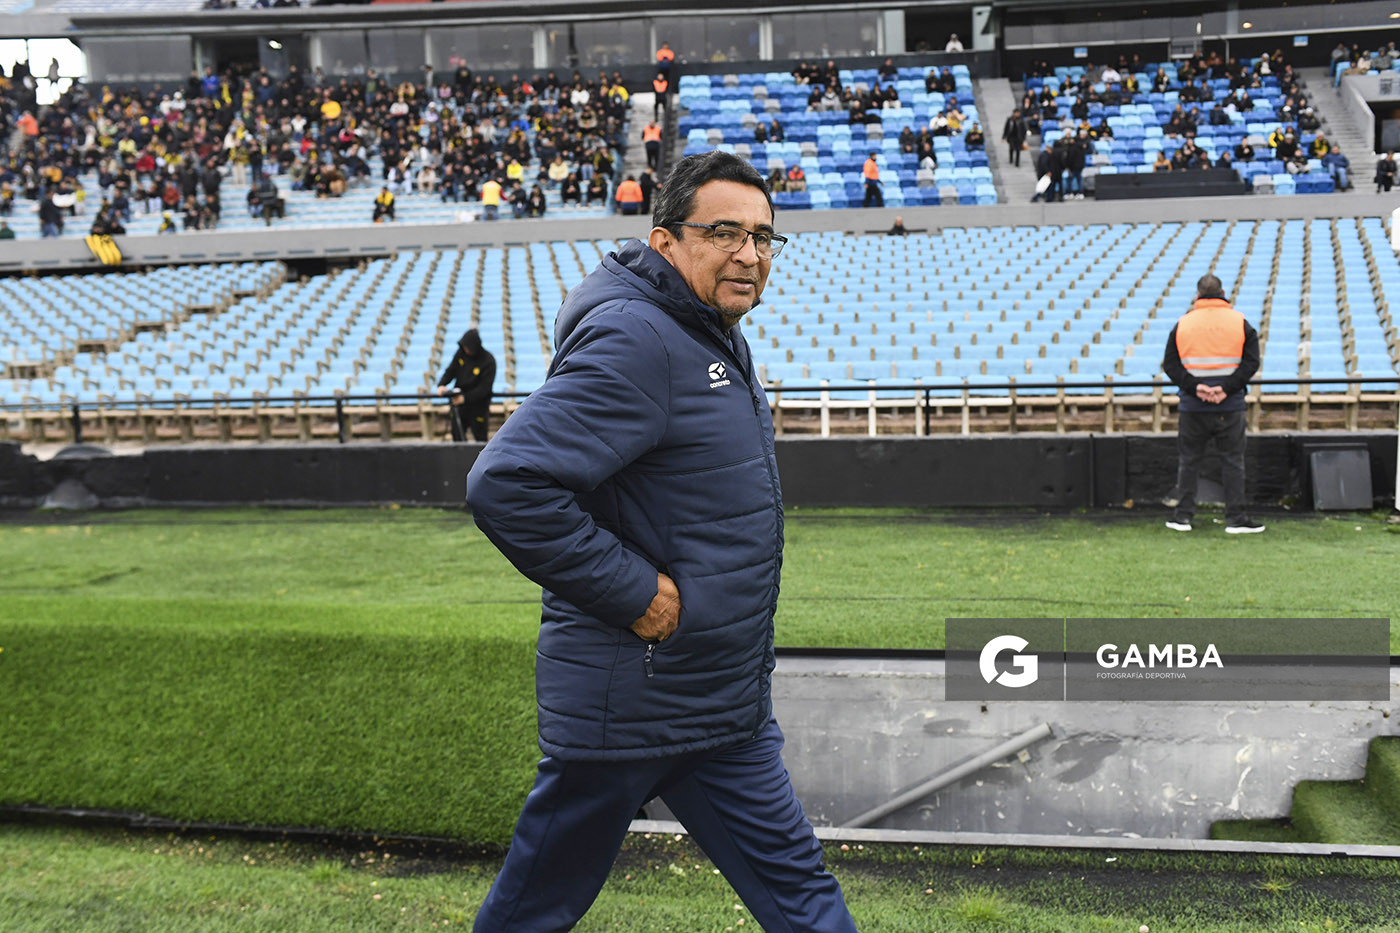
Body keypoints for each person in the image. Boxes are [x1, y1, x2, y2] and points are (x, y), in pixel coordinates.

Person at [464, 149, 857, 933]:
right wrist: (638, 594)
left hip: (720, 706)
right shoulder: (639, 338)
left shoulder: (709, 331)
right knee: (533, 911)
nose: (749, 254)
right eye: (724, 232)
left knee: (803, 893)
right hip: (632, 706)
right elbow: (506, 483)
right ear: (666, 242)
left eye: (763, 237)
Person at [1161, 274, 1263, 534]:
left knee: (1189, 461)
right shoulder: (1241, 323)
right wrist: (1225, 388)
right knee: (1233, 462)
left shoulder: (1183, 324)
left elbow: (1170, 365)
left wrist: (1196, 387)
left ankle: (1182, 517)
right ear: (1223, 293)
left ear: (1197, 295)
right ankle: (1236, 519)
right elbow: (1251, 362)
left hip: (1193, 406)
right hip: (1230, 406)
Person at [435, 328, 496, 442]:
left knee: (480, 439)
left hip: (478, 406)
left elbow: (484, 389)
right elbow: (451, 371)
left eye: (468, 348)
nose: (466, 350)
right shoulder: (460, 353)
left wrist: (465, 398)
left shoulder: (488, 360)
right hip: (459, 406)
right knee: (457, 437)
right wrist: (441, 384)